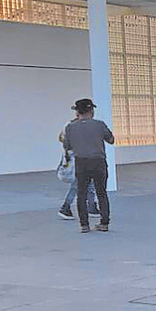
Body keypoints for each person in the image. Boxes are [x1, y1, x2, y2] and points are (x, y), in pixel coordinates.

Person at [62, 98, 115, 233]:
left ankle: (84, 225)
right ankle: (104, 223)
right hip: (98, 162)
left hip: (81, 162)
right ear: (91, 111)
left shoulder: (70, 127)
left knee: (82, 193)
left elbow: (67, 146)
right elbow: (111, 140)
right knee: (101, 193)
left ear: (77, 112)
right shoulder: (99, 125)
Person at [58, 105, 99, 221]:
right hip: (79, 160)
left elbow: (61, 138)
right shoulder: (75, 126)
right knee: (77, 184)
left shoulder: (70, 125)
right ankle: (65, 207)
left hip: (80, 159)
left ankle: (92, 206)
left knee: (89, 183)